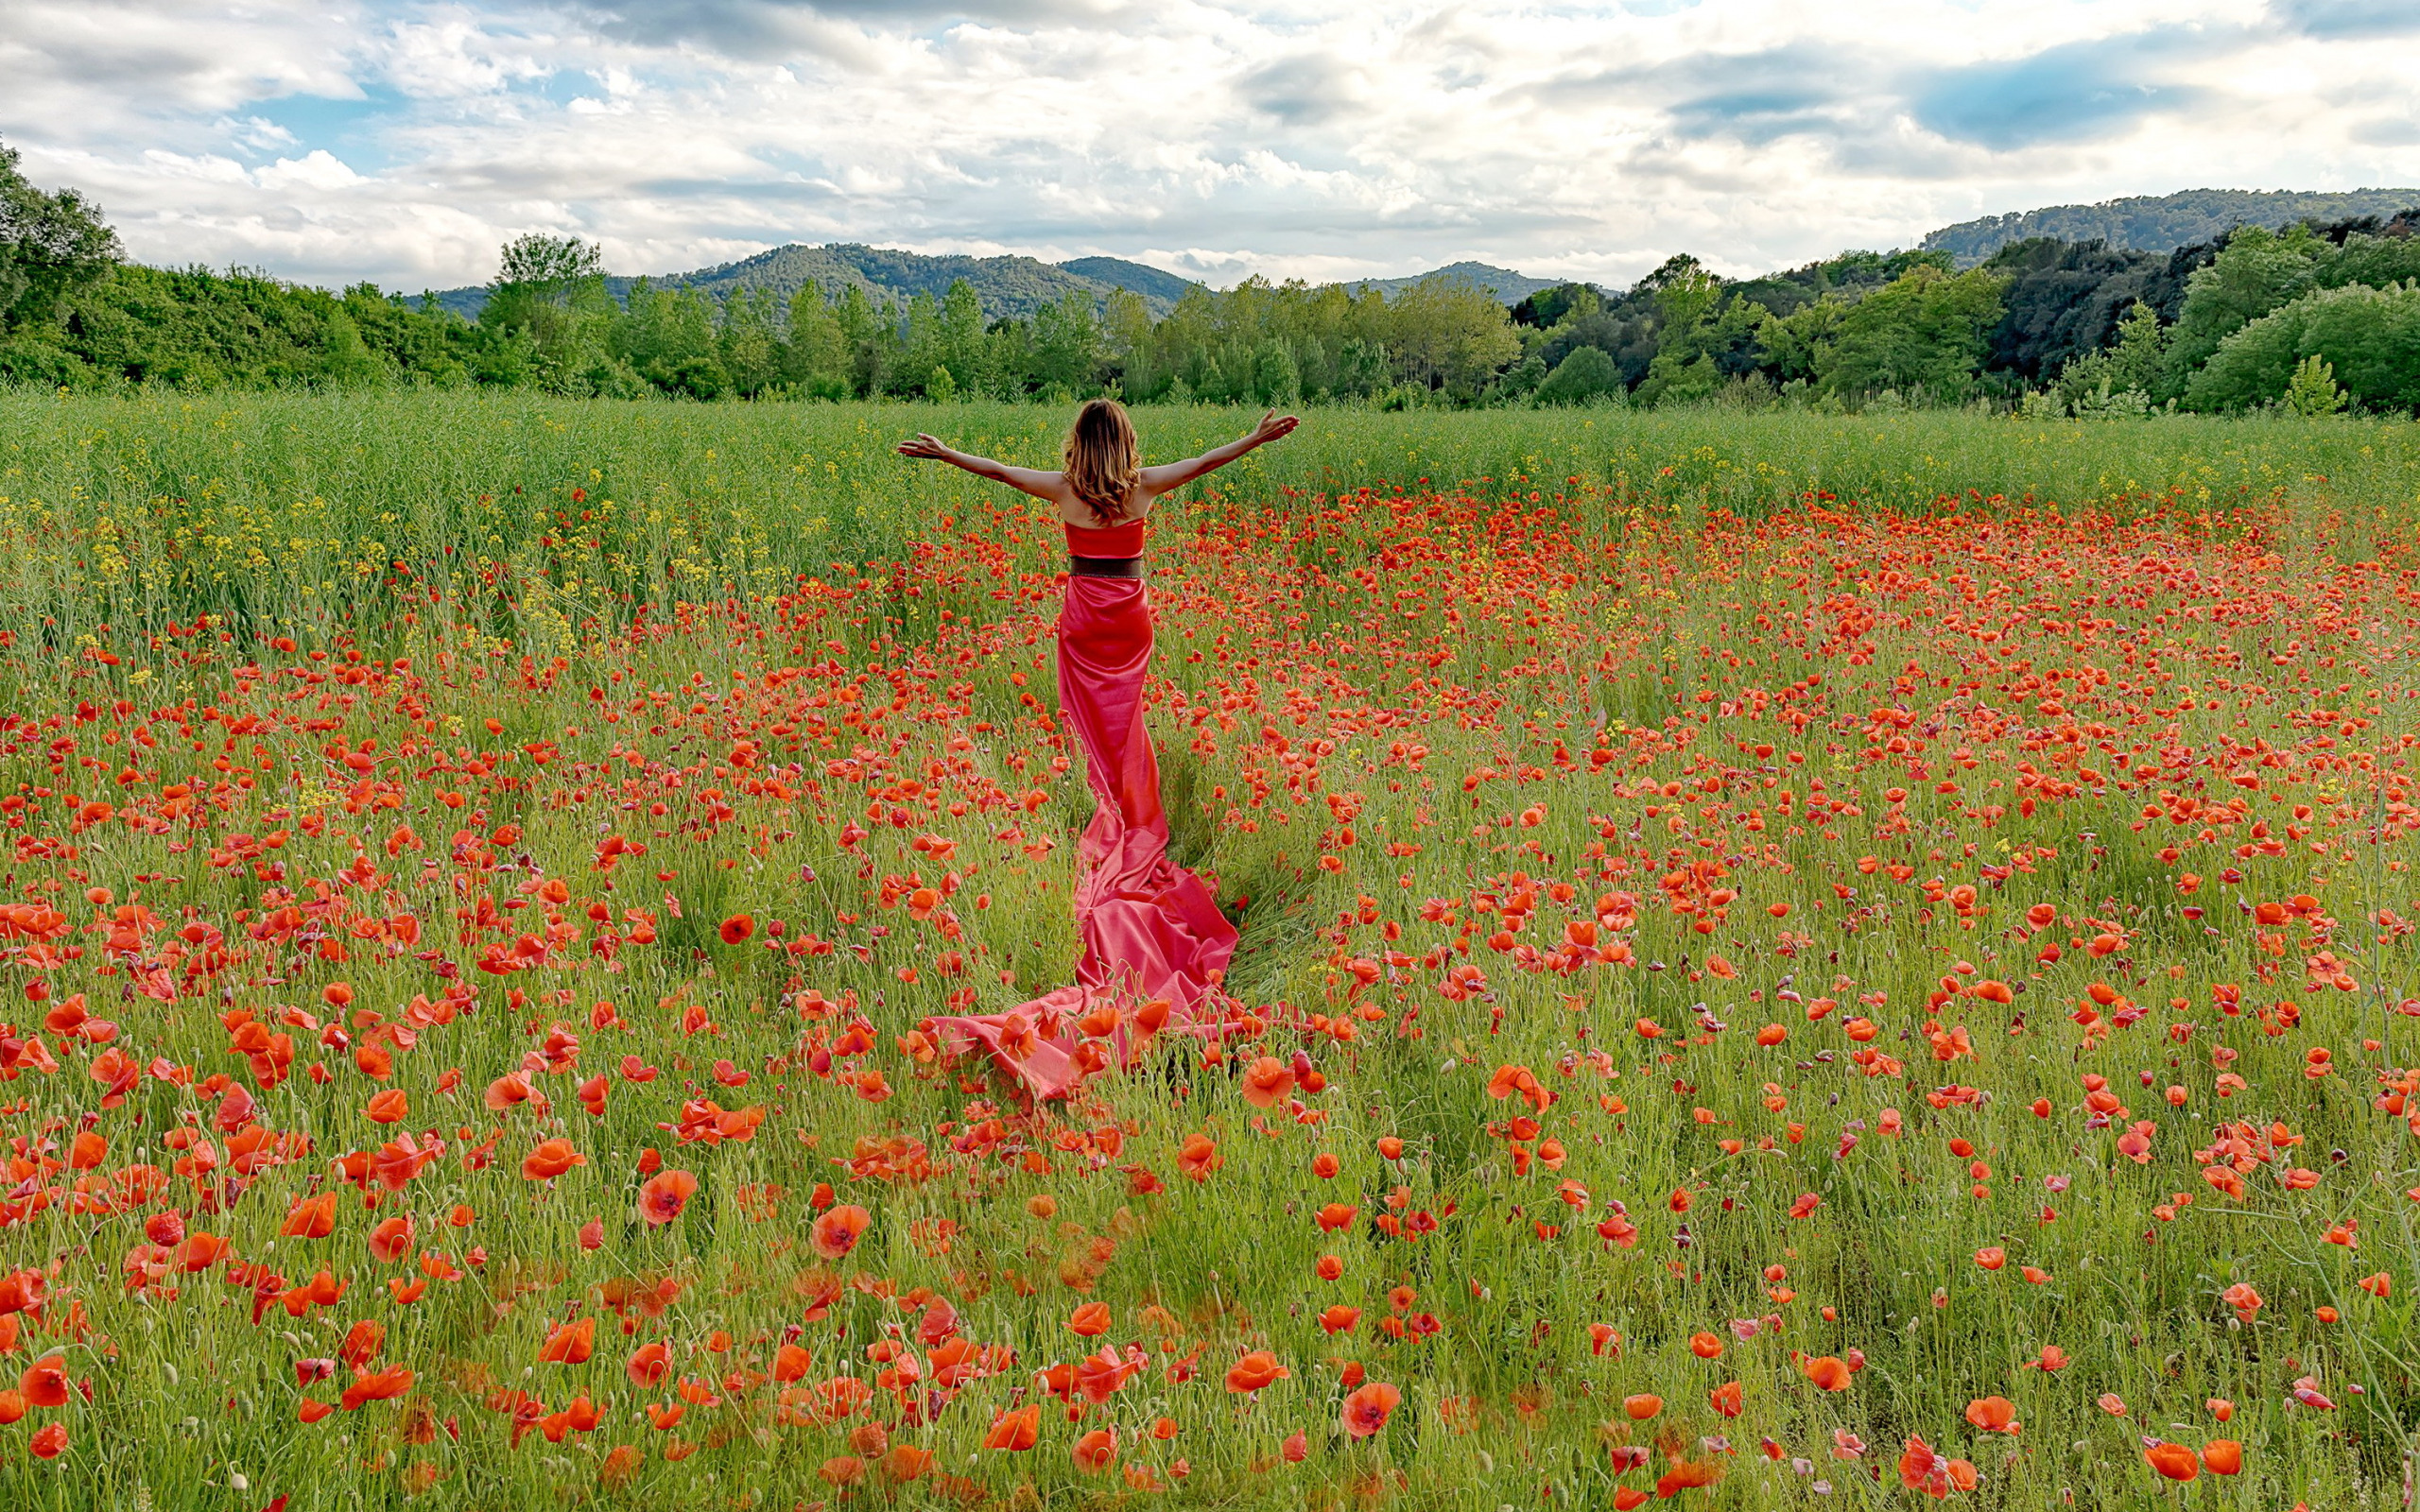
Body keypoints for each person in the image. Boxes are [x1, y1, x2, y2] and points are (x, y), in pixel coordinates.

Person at [897, 400, 1298, 1098]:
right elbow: (1207, 462)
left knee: (1088, 716)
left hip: (1085, 614)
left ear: (1079, 444)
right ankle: (1128, 801)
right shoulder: (1143, 488)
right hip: (1129, 615)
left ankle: (1106, 799)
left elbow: (997, 472)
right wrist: (1256, 439)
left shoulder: (1064, 490)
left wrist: (945, 453)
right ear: (1127, 442)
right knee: (1126, 715)